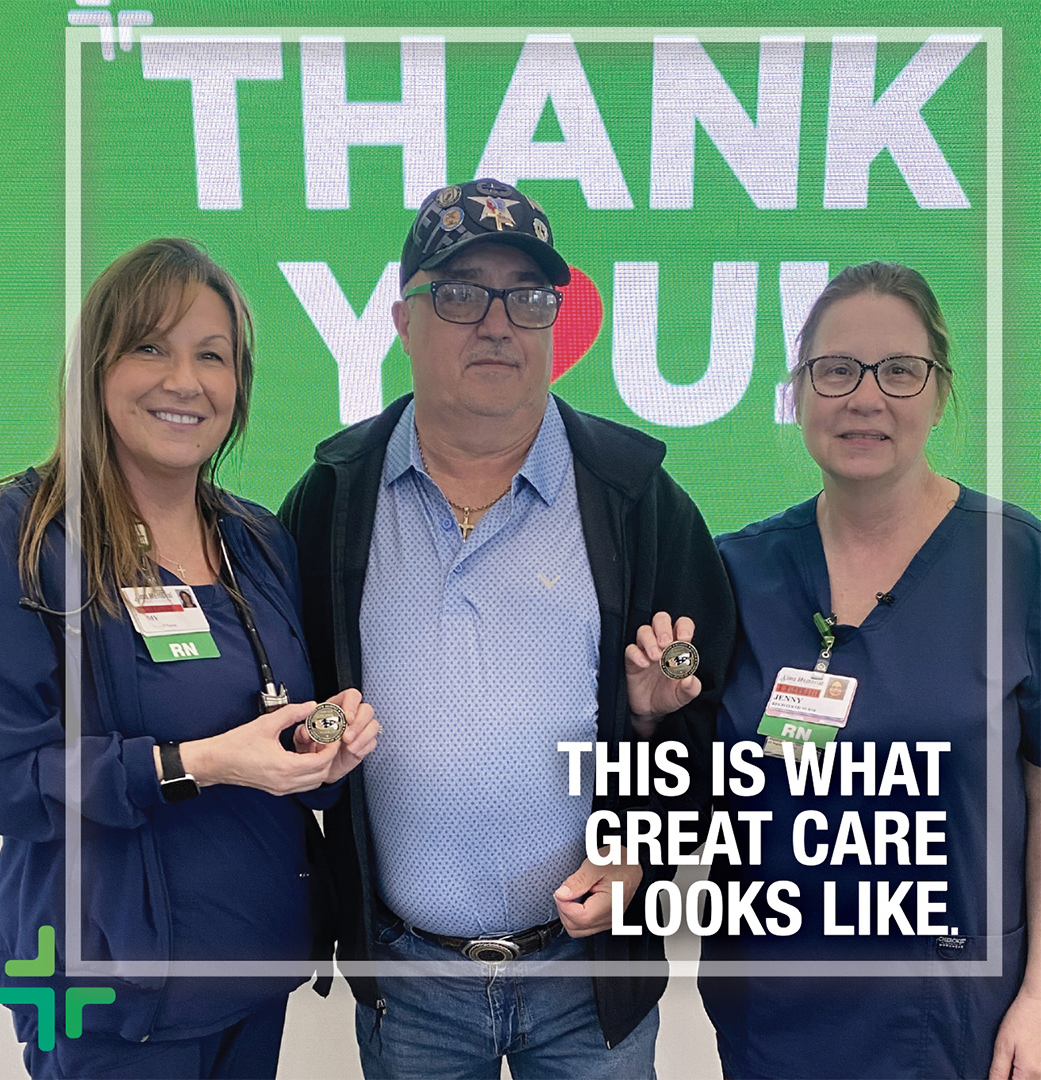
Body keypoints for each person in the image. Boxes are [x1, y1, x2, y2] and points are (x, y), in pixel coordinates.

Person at [280, 178, 736, 1077]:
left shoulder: (636, 498)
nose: (498, 324)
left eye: (527, 297)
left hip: (587, 985)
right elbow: (287, 705)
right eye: (460, 293)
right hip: (409, 982)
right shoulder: (334, 496)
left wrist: (643, 850)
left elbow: (710, 719)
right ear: (403, 321)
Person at [0, 238, 379, 1079]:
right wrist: (194, 764)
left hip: (253, 975)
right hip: (106, 998)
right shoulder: (20, 532)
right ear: (97, 367)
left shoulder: (257, 539)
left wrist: (321, 752)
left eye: (212, 356)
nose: (185, 381)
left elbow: (274, 735)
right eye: (151, 347)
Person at [632, 262, 1039, 1078]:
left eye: (900, 371)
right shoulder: (735, 573)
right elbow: (691, 788)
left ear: (939, 392)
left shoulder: (1014, 561)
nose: (865, 397)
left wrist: (1040, 991)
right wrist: (647, 715)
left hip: (954, 1010)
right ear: (798, 392)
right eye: (837, 369)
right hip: (774, 1011)